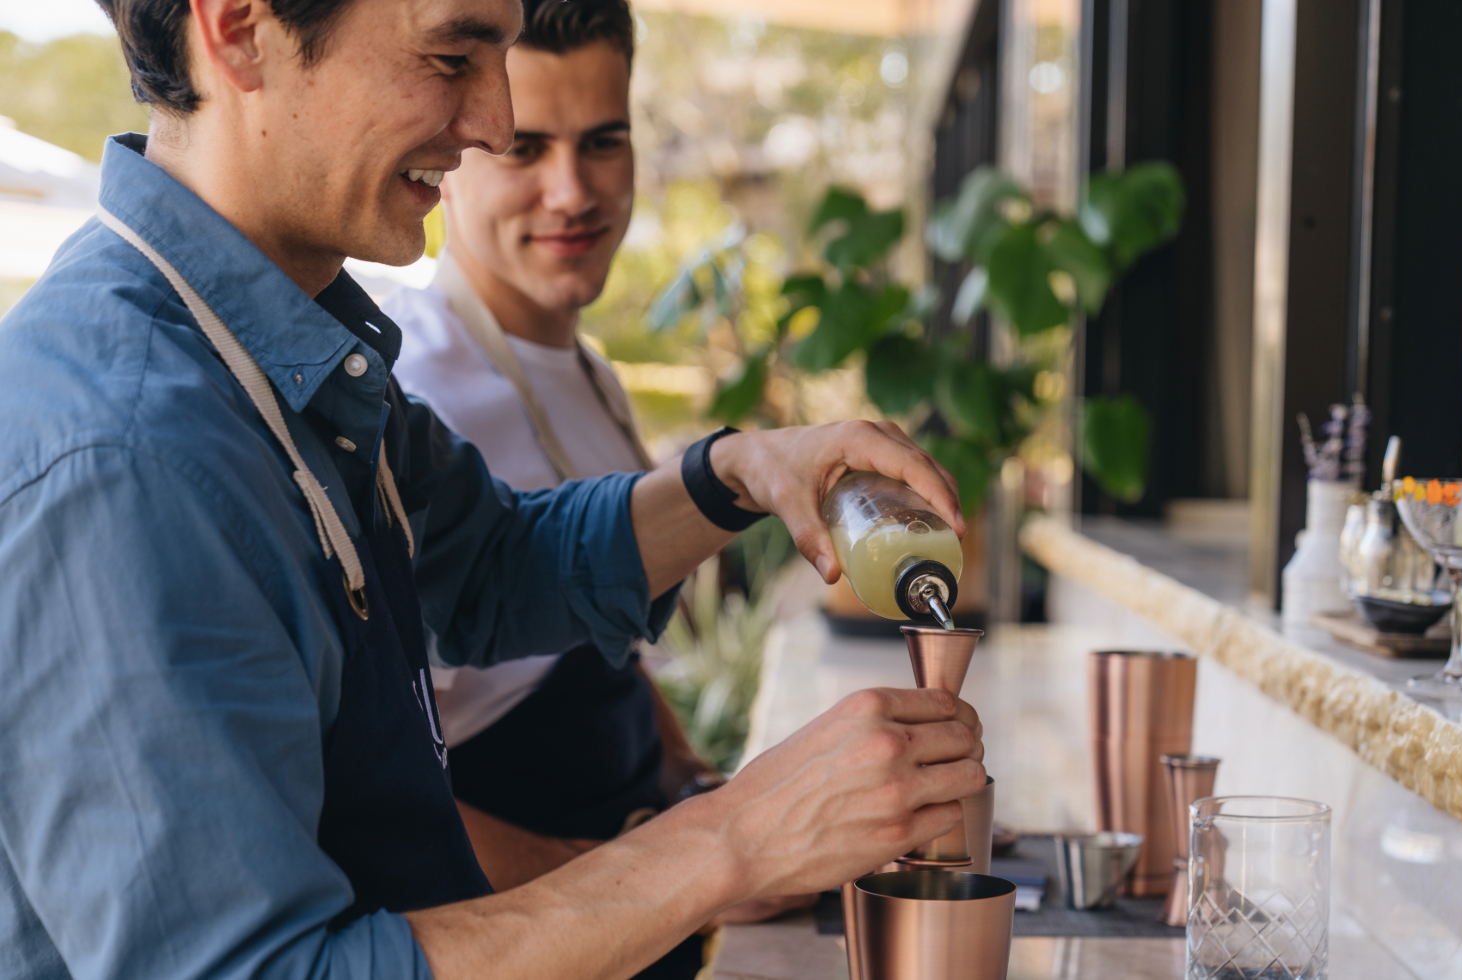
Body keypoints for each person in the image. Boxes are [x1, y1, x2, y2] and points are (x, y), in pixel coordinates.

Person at [0, 2, 983, 979]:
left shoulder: (282, 341)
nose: (495, 123)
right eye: (453, 54)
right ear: (242, 29)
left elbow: (491, 566)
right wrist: (732, 839)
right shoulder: (126, 456)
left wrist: (738, 474)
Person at [386, 4, 804, 970]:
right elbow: (381, 796)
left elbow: (605, 654)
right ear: (460, 141)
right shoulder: (406, 390)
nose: (572, 191)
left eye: (602, 141)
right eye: (526, 147)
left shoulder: (595, 375)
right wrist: (649, 877)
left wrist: (704, 789)